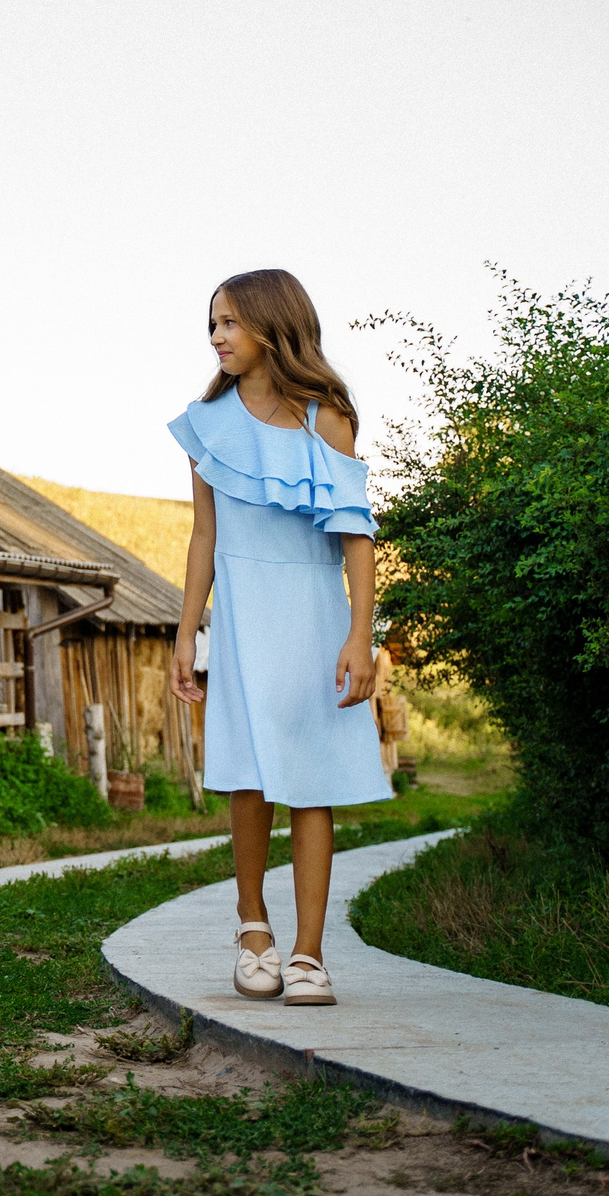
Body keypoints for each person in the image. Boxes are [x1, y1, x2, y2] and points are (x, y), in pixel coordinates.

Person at [167, 268, 389, 1008]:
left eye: (229, 322)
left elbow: (356, 536)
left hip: (314, 611)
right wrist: (185, 629)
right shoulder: (207, 425)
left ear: (273, 325)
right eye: (212, 324)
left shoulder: (326, 419)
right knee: (249, 774)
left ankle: (309, 953)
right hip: (240, 614)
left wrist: (362, 636)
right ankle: (252, 923)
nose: (217, 337)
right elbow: (204, 536)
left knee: (311, 779)